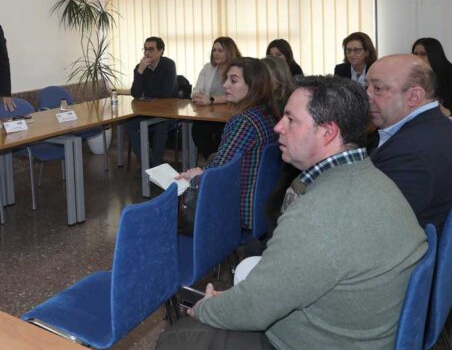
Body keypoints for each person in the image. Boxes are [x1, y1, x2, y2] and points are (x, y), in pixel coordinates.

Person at [157, 76, 427, 350]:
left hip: (318, 341)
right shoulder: (374, 179)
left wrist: (206, 308)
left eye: (290, 120)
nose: (277, 127)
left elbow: (253, 308)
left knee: (176, 338)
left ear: (328, 132)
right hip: (357, 329)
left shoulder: (318, 213)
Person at [367, 54, 452, 232]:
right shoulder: (438, 128)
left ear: (414, 96)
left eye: (377, 88)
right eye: (366, 87)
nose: (367, 96)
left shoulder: (407, 152)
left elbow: (370, 224)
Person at [178, 57, 278, 231]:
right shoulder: (268, 114)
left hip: (236, 207)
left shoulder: (244, 122)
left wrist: (197, 174)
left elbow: (217, 174)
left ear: (253, 85)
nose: (225, 85)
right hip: (261, 203)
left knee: (169, 202)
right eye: (226, 79)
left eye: (233, 80)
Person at [127, 36, 178, 167]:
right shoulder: (140, 67)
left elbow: (166, 92)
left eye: (151, 49)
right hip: (147, 112)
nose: (147, 53)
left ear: (161, 51)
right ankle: (149, 165)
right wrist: (140, 72)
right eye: (145, 49)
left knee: (160, 124)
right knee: (130, 124)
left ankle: (154, 165)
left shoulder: (168, 65)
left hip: (168, 113)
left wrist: (148, 96)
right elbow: (135, 94)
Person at [190, 37, 242, 159]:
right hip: (209, 114)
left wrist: (211, 99)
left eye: (220, 50)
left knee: (222, 135)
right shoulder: (208, 68)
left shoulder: (238, 69)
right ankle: (214, 161)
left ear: (229, 52)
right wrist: (197, 95)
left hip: (231, 114)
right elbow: (197, 89)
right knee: (197, 131)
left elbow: (237, 94)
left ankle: (222, 163)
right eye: (214, 50)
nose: (216, 54)